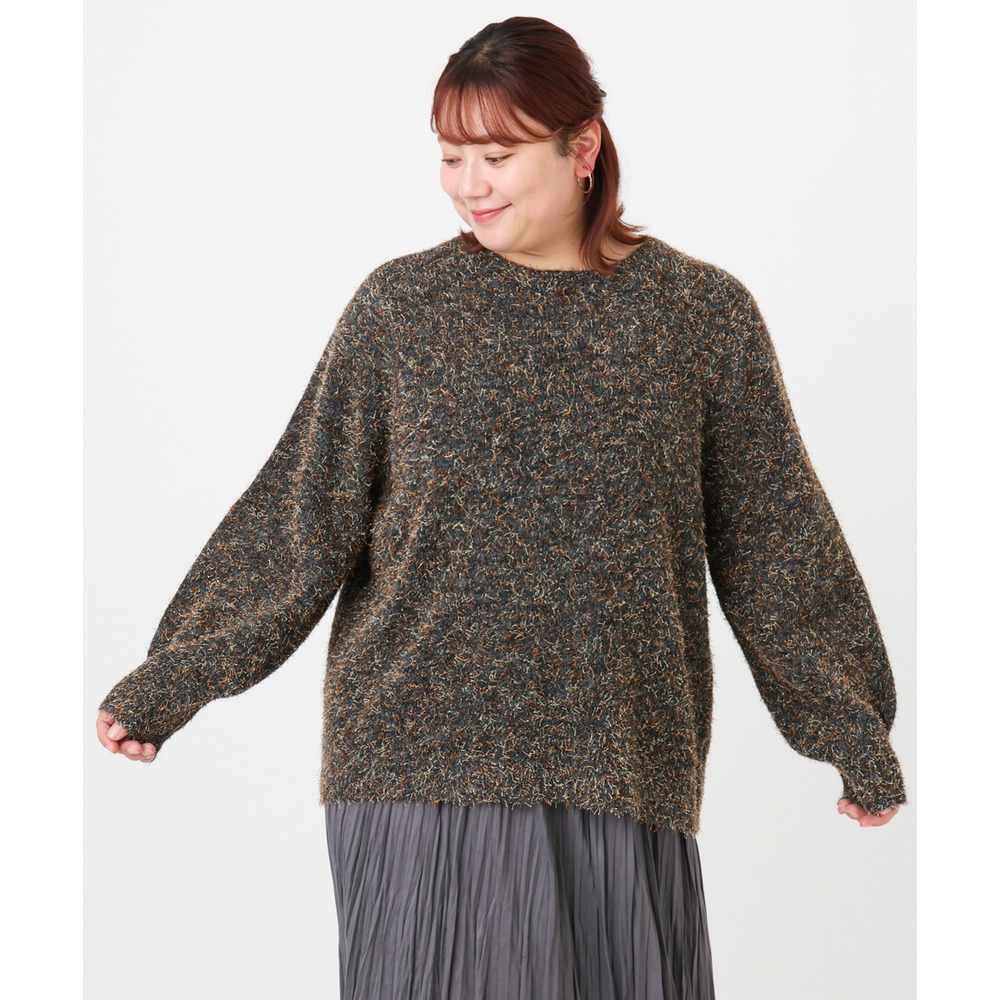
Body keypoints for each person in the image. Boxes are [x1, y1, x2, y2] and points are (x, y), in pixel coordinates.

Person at [95, 16, 905, 1000]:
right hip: (417, 770)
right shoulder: (402, 310)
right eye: (450, 156)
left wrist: (850, 729)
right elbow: (300, 515)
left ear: (582, 147)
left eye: (497, 155)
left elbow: (776, 544)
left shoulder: (700, 317)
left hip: (621, 761)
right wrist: (172, 677)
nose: (468, 183)